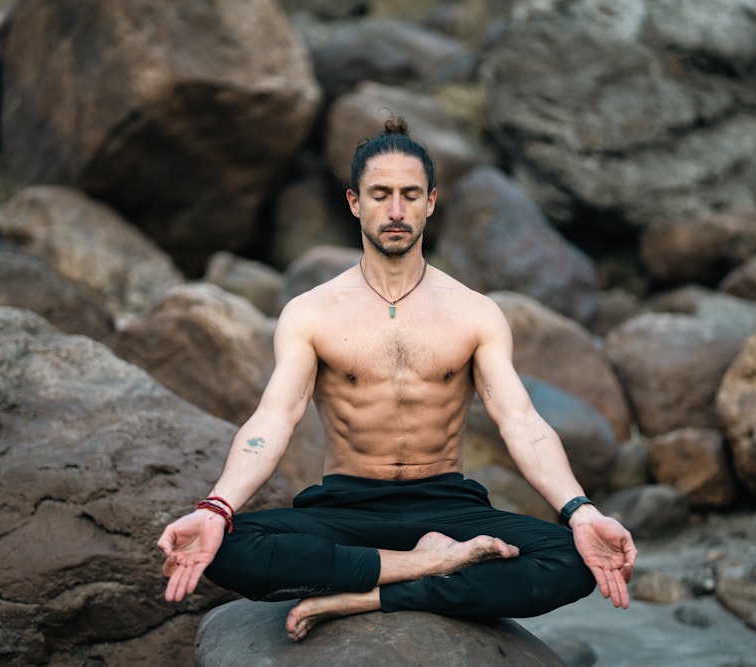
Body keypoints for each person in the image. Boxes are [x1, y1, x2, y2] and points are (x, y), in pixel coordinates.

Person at [157, 117, 638, 642]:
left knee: (573, 559)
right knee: (224, 548)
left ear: (431, 202)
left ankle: (374, 591)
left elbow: (521, 421)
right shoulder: (312, 313)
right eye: (380, 194)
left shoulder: (473, 313)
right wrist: (215, 508)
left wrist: (582, 511)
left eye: (410, 195)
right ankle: (422, 567)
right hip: (345, 507)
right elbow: (274, 418)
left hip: (447, 506)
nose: (395, 211)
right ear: (353, 202)